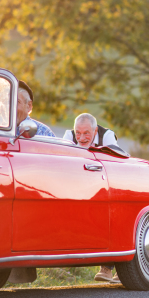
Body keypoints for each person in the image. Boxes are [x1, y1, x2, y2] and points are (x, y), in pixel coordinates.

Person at [62, 113, 119, 283]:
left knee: (110, 218)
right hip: (78, 182)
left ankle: (108, 268)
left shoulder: (107, 135)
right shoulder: (68, 135)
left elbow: (112, 161)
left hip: (104, 181)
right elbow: (64, 159)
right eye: (78, 133)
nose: (81, 137)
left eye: (86, 133)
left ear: (95, 131)